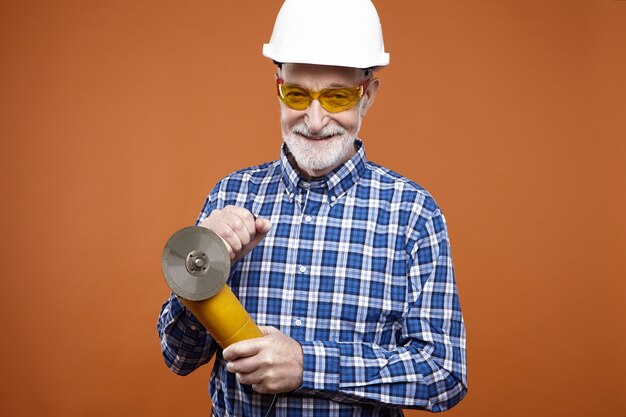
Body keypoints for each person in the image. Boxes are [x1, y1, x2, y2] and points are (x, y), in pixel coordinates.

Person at [157, 0, 467, 415]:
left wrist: (310, 365)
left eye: (337, 97)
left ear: (368, 95)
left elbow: (444, 376)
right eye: (298, 94)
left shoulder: (412, 213)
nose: (315, 120)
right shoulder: (230, 194)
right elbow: (178, 358)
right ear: (278, 87)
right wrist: (203, 266)